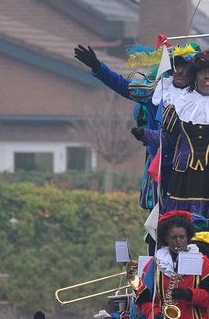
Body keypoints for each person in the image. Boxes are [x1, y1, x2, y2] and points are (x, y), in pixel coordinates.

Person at [74, 43, 199, 210]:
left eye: (186, 67)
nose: (180, 71)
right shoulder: (156, 92)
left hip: (192, 168)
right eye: (176, 66)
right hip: (161, 168)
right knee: (162, 221)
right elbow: (124, 87)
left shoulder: (203, 99)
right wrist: (98, 67)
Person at [133, 51, 209, 232]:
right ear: (195, 76)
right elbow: (168, 139)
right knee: (187, 227)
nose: (207, 76)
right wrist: (144, 134)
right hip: (187, 176)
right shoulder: (180, 102)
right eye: (203, 72)